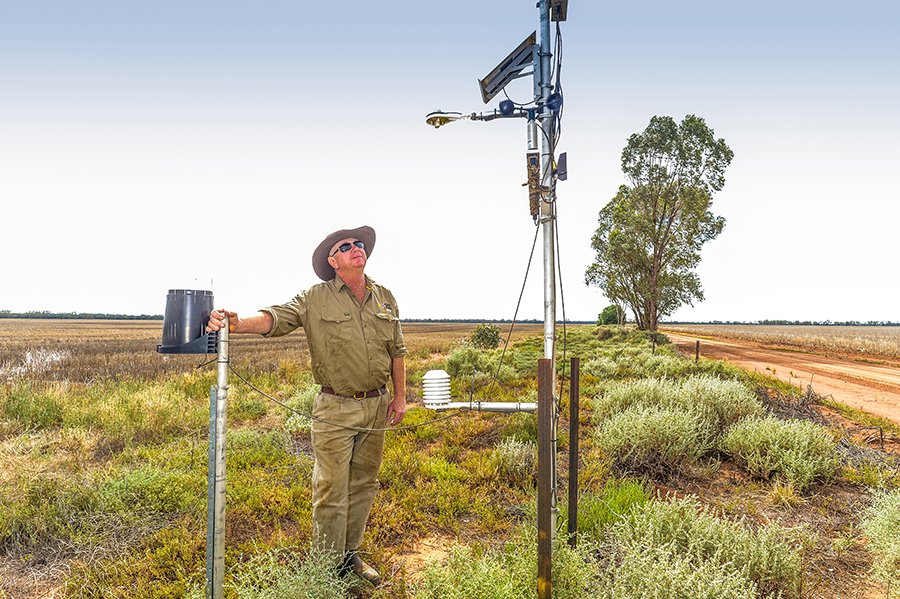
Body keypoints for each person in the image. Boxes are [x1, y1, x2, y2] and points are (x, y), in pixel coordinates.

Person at [206, 225, 406, 585]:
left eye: (359, 244)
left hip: (377, 405)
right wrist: (238, 324)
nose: (355, 248)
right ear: (333, 261)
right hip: (335, 406)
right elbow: (277, 318)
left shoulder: (385, 297)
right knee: (331, 486)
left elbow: (398, 351)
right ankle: (326, 569)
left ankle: (349, 556)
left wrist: (401, 396)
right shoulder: (315, 297)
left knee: (363, 483)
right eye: (346, 246)